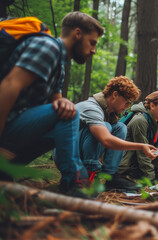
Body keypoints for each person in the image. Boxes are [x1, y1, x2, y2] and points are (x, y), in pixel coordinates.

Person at [0, 11, 104, 197]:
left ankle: (7, 171)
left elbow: (56, 102)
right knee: (71, 115)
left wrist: (63, 101)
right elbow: (9, 85)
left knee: (67, 112)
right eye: (92, 42)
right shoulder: (47, 47)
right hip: (5, 128)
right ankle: (75, 182)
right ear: (77, 33)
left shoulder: (60, 64)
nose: (93, 50)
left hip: (15, 128)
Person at [76, 76, 158, 193]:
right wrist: (141, 146)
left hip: (81, 149)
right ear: (115, 94)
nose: (128, 106)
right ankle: (88, 175)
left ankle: (111, 176)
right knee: (107, 127)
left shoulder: (110, 113)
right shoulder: (92, 108)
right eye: (126, 102)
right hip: (68, 155)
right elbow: (106, 140)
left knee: (120, 127)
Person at [118, 91, 158, 192]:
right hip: (128, 166)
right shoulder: (139, 120)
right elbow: (142, 154)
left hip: (141, 166)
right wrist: (152, 181)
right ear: (152, 106)